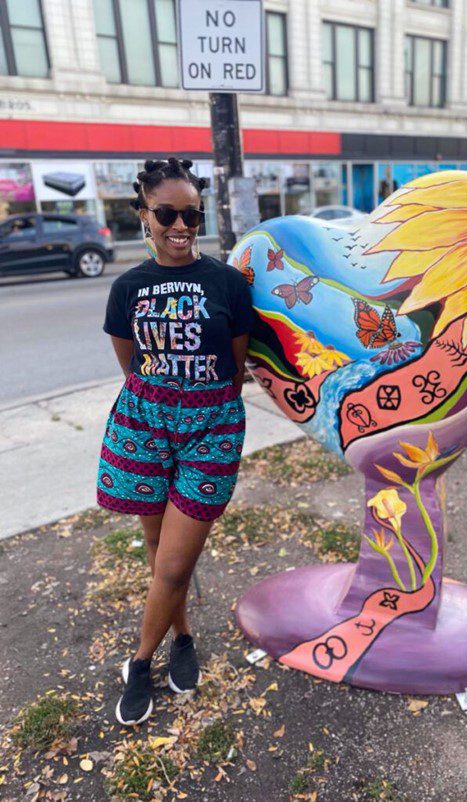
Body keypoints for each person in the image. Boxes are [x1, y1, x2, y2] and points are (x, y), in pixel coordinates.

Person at [96, 157, 254, 726]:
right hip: (146, 426)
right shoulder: (127, 288)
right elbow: (132, 366)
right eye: (167, 214)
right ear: (144, 214)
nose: (181, 225)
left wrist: (195, 400)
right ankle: (182, 636)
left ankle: (140, 662)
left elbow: (233, 369)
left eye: (192, 214)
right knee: (159, 547)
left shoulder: (228, 284)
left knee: (173, 563)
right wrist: (165, 398)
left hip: (211, 428)